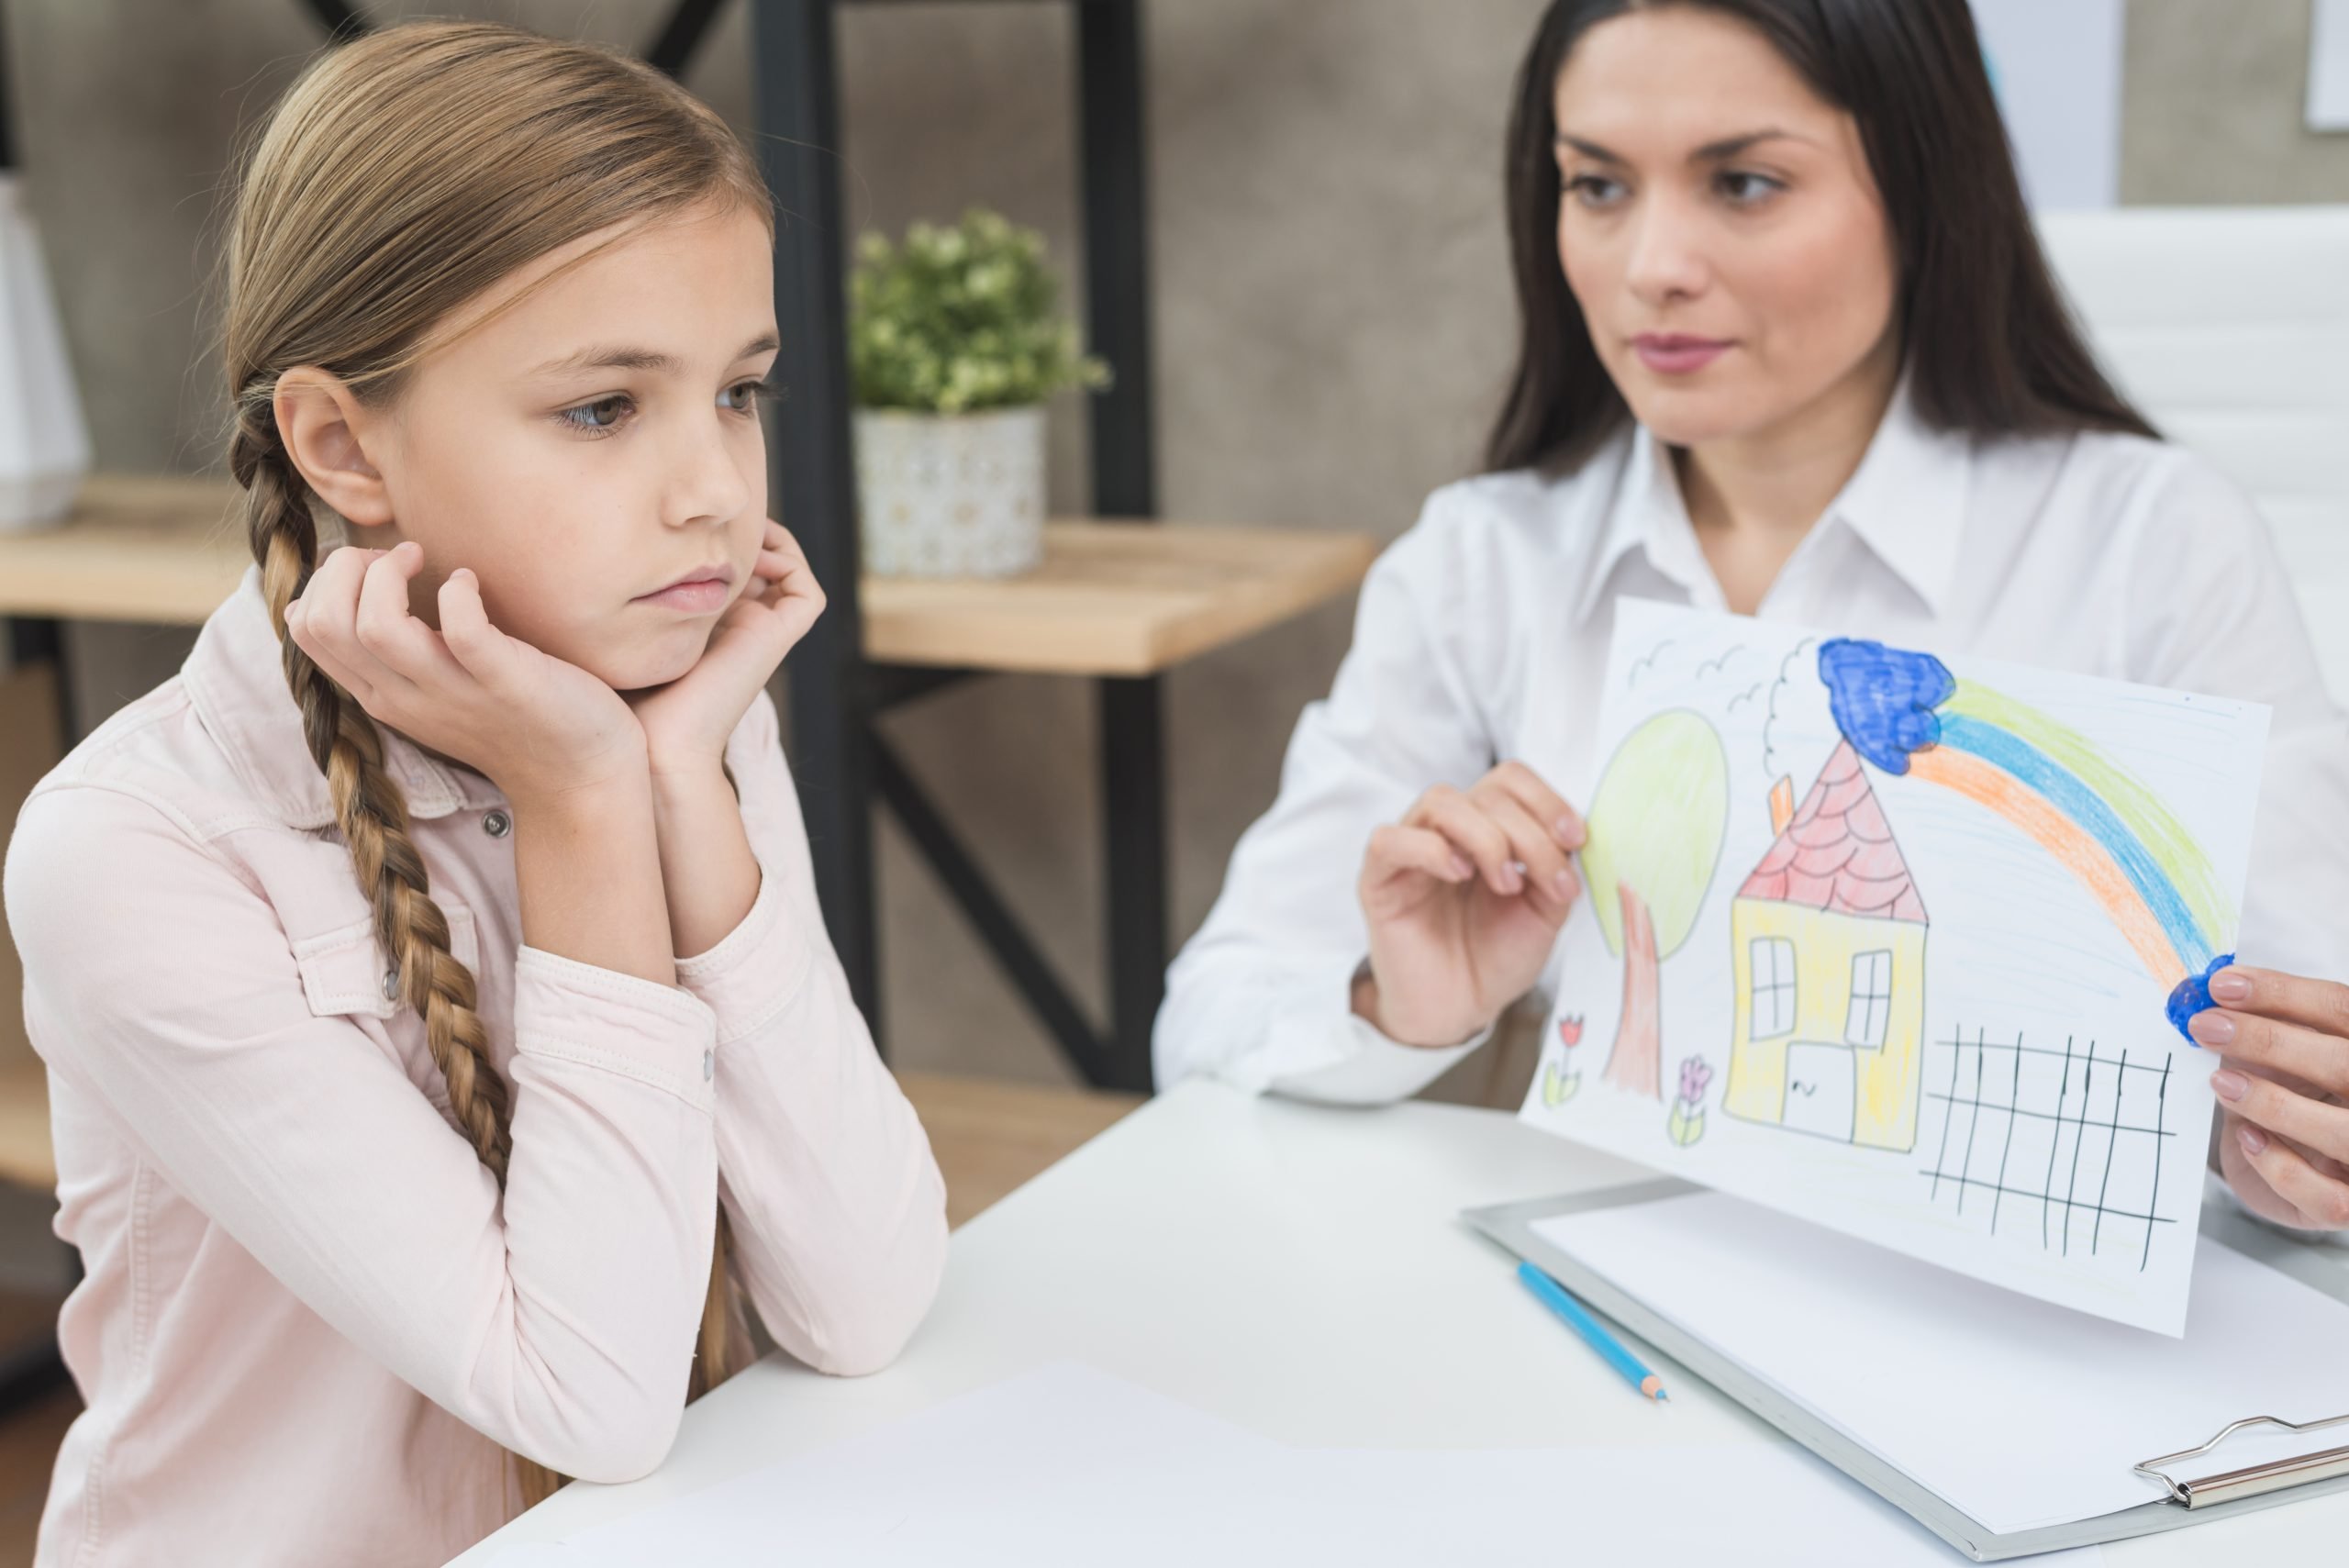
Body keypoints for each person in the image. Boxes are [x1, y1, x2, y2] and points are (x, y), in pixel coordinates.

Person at [1154, 0, 2349, 1235]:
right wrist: (1401, 1006)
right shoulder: (1486, 561)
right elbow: (1211, 1014)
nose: (1652, 265)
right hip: (1590, 1328)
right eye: (1599, 187)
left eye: (1743, 182)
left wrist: (2277, 1153)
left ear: (1922, 184)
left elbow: (2314, 1023)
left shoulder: (2149, 543)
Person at [2, 22, 945, 1565]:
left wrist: (684, 789)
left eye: (740, 392)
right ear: (339, 442)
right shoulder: (137, 849)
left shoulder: (678, 720)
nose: (713, 484)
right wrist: (583, 805)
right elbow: (588, 1392)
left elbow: (867, 1293)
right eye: (603, 408)